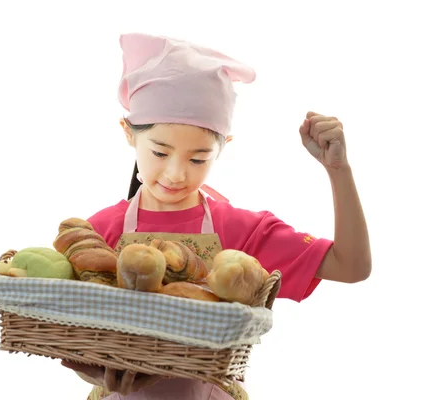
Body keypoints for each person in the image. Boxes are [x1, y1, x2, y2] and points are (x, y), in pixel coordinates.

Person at [60, 32, 372, 399]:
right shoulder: (97, 234)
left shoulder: (239, 231)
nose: (176, 173)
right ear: (129, 134)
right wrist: (98, 373)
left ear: (223, 149)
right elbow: (80, 336)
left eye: (198, 159)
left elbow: (352, 266)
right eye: (160, 152)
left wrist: (339, 170)